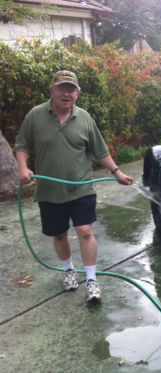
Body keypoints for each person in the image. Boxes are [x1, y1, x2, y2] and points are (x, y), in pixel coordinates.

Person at [15, 70, 133, 302]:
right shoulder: (35, 116)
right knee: (59, 235)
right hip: (50, 190)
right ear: (52, 91)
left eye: (71, 89)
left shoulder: (85, 118)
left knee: (85, 231)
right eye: (62, 88)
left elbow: (100, 151)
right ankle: (69, 271)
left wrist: (117, 172)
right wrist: (22, 168)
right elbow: (21, 145)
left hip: (81, 187)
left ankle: (91, 280)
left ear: (77, 94)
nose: (66, 93)